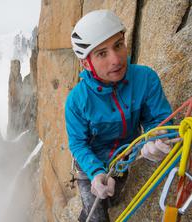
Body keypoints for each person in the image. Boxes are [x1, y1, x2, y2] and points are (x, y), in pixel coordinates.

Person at [65, 10, 173, 222]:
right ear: (86, 63)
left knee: (114, 199)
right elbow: (78, 144)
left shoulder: (145, 79)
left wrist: (156, 137)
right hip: (91, 166)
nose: (116, 59)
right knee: (96, 215)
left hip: (125, 156)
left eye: (118, 45)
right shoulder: (77, 101)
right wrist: (96, 172)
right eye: (102, 54)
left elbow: (158, 120)